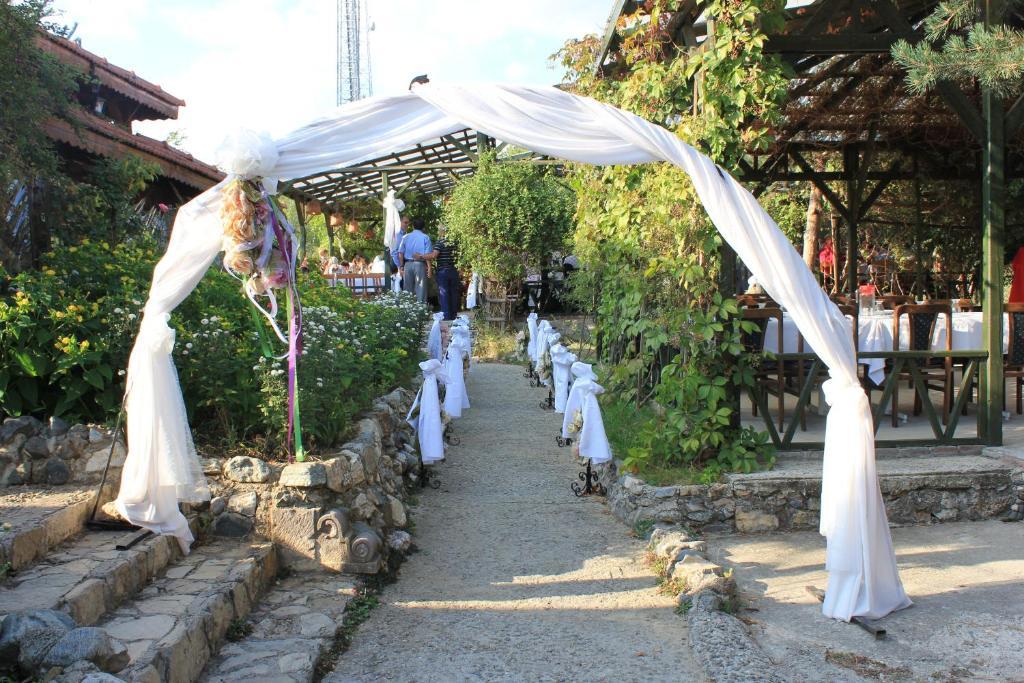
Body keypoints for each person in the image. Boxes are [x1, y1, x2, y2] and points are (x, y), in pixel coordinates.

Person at [423, 225, 460, 320]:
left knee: (444, 293)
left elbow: (434, 255)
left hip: (443, 271)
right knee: (454, 293)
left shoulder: (440, 242)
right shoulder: (454, 243)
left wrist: (421, 256)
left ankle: (446, 315)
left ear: (441, 232)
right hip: (454, 270)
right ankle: (454, 315)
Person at [398, 217, 432, 303]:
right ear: (423, 227)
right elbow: (427, 255)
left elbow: (400, 253)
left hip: (407, 265)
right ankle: (421, 310)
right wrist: (429, 267)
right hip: (420, 264)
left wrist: (401, 266)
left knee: (407, 290)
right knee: (421, 289)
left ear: (413, 226)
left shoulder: (405, 237)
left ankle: (408, 310)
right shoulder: (425, 237)